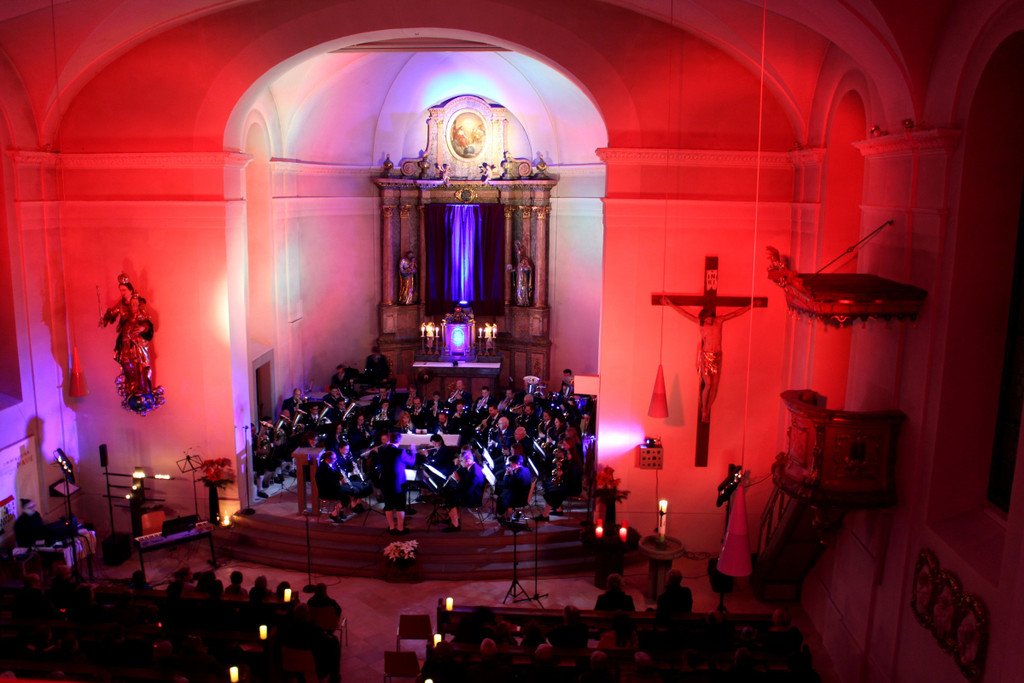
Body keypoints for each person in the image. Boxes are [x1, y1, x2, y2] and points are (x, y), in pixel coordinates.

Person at [662, 297, 755, 423]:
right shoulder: (700, 323)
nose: (709, 320)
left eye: (710, 318)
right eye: (707, 319)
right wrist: (670, 304)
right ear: (704, 318)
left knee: (715, 385)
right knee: (709, 383)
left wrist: (752, 305)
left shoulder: (719, 321)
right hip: (706, 356)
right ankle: (703, 409)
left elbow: (735, 313)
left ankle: (708, 409)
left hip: (717, 356)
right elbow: (684, 313)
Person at [379, 431, 416, 534]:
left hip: (385, 481)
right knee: (400, 505)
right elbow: (411, 462)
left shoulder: (381, 450)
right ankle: (400, 528)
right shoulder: (401, 451)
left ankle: (391, 528)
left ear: (389, 439)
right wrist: (413, 452)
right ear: (399, 440)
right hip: (398, 482)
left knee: (388, 504)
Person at [444, 450, 485, 532]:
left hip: (473, 497)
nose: (460, 462)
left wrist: (458, 480)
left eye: (462, 460)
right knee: (449, 491)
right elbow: (463, 477)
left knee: (450, 497)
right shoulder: (472, 466)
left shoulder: (475, 473)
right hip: (470, 491)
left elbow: (468, 490)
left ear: (469, 460)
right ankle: (453, 516)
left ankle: (455, 524)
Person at [315, 450, 348, 523]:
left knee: (346, 492)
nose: (336, 460)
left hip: (332, 488)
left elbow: (335, 475)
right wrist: (341, 482)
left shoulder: (329, 464)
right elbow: (330, 482)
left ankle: (339, 510)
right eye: (334, 459)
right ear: (328, 459)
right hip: (327, 491)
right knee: (346, 498)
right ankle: (334, 514)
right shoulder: (324, 469)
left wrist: (341, 477)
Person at [496, 453, 531, 519]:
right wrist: (512, 473)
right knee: (501, 489)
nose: (510, 465)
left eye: (512, 464)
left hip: (518, 498)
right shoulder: (526, 469)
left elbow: (507, 484)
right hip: (522, 492)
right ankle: (506, 513)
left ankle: (501, 515)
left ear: (518, 464)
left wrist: (507, 474)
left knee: (500, 498)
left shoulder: (518, 475)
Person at [507, 239, 533, 306]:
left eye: (519, 255)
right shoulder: (517, 264)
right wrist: (510, 270)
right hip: (518, 280)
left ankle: (524, 301)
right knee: (518, 291)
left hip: (523, 280)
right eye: (517, 256)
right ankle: (519, 301)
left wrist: (526, 267)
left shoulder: (525, 261)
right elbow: (514, 270)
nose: (518, 257)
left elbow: (529, 269)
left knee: (524, 290)